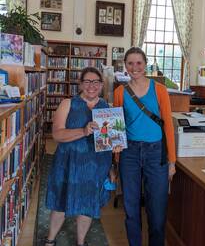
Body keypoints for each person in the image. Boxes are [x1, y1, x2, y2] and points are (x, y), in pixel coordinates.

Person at [45, 67, 120, 246]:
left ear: (102, 85)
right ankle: (50, 240)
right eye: (87, 82)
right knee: (60, 203)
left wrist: (113, 162)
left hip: (95, 166)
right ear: (80, 84)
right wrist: (83, 131)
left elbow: (110, 144)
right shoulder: (68, 104)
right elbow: (57, 134)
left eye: (96, 82)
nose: (91, 86)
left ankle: (81, 242)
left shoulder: (108, 109)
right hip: (68, 163)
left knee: (87, 205)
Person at [113, 47, 176, 246]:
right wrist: (115, 162)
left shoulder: (160, 90)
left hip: (156, 153)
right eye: (130, 63)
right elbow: (117, 127)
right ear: (125, 66)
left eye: (139, 63)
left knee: (157, 211)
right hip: (129, 153)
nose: (135, 67)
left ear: (145, 64)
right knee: (131, 209)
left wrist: (172, 161)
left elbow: (168, 126)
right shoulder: (119, 92)